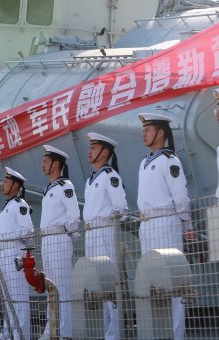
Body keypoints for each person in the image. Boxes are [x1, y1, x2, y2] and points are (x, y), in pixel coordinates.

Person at [137, 113, 195, 340]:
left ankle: (177, 335)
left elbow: (180, 195)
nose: (144, 132)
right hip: (146, 223)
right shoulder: (144, 162)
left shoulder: (170, 159)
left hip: (165, 221)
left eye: (149, 129)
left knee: (172, 281)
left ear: (161, 132)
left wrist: (187, 223)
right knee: (151, 283)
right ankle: (159, 334)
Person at [83, 133, 127, 340]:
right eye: (90, 147)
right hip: (91, 233)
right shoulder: (91, 179)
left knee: (110, 286)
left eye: (94, 147)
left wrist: (107, 223)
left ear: (105, 152)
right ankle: (107, 332)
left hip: (105, 232)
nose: (89, 151)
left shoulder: (110, 176)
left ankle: (115, 334)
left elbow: (121, 208)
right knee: (98, 287)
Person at [38, 145, 80, 340]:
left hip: (60, 238)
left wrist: (66, 234)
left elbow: (73, 217)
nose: (43, 164)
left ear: (56, 164)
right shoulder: (49, 189)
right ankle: (51, 330)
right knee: (50, 288)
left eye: (46, 161)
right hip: (47, 240)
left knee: (62, 287)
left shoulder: (65, 187)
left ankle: (65, 332)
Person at [0, 167, 33, 340]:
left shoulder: (20, 205)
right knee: (8, 297)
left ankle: (20, 335)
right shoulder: (7, 206)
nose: (3, 185)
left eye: (6, 181)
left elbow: (27, 231)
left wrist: (6, 237)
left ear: (15, 185)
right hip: (4, 253)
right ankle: (8, 332)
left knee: (18, 297)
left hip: (15, 251)